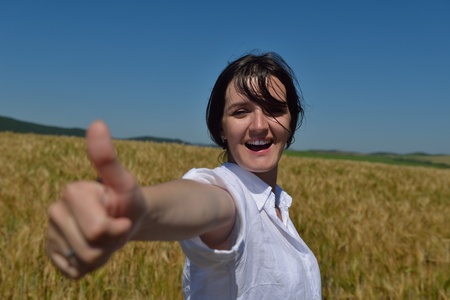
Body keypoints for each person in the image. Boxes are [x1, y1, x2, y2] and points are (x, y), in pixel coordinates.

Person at [46, 52, 322, 299]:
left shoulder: (279, 204)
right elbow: (202, 204)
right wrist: (139, 211)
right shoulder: (230, 197)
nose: (259, 125)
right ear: (221, 129)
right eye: (241, 112)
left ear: (290, 122)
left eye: (274, 110)